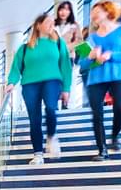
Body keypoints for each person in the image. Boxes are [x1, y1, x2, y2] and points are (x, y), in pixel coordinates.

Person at [5, 11, 72, 165]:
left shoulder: (59, 43)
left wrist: (66, 88)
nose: (52, 25)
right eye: (48, 22)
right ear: (38, 25)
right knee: (34, 119)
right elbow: (16, 68)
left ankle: (52, 135)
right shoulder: (25, 48)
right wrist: (11, 82)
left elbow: (65, 66)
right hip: (29, 84)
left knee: (50, 107)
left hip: (52, 81)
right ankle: (38, 154)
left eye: (52, 23)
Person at [80, 1, 121, 161]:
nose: (93, 16)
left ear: (107, 12)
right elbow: (82, 63)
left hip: (119, 75)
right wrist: (91, 57)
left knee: (120, 108)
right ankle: (102, 150)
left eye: (96, 12)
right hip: (96, 79)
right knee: (97, 115)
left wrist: (111, 55)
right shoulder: (91, 38)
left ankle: (115, 135)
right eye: (92, 14)